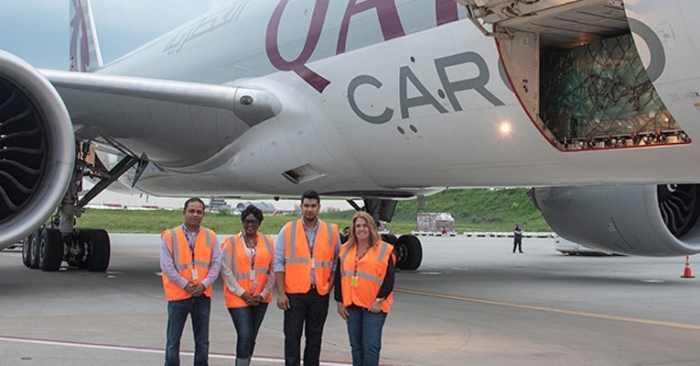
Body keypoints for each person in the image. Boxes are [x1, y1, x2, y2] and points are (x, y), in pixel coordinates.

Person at [273, 189, 341, 366]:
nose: (309, 209)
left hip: (319, 293)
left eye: (313, 206)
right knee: (292, 339)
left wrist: (329, 286)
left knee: (314, 339)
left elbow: (336, 263)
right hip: (293, 295)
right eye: (306, 206)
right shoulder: (288, 229)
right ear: (301, 207)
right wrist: (281, 293)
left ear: (319, 207)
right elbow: (278, 262)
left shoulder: (331, 231)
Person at [160, 197, 222, 366]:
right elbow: (167, 266)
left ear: (203, 214)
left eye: (199, 212)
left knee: (202, 341)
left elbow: (216, 263)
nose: (195, 215)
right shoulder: (170, 236)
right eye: (191, 211)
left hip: (202, 295)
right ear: (183, 212)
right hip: (179, 296)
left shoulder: (211, 236)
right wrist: (185, 285)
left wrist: (204, 284)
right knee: (173, 340)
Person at [335, 212, 395, 366]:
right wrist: (339, 302)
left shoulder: (383, 249)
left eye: (364, 225)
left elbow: (389, 279)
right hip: (352, 306)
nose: (361, 229)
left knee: (371, 347)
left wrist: (379, 300)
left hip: (373, 307)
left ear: (371, 228)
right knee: (356, 347)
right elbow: (339, 277)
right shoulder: (345, 249)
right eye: (358, 226)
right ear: (353, 229)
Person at [220, 205, 275, 366]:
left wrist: (263, 294)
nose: (250, 225)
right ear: (242, 222)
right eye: (247, 221)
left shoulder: (268, 242)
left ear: (259, 223)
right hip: (238, 298)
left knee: (251, 337)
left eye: (254, 222)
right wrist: (242, 293)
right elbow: (226, 271)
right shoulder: (231, 243)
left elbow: (272, 270)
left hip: (260, 298)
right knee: (245, 335)